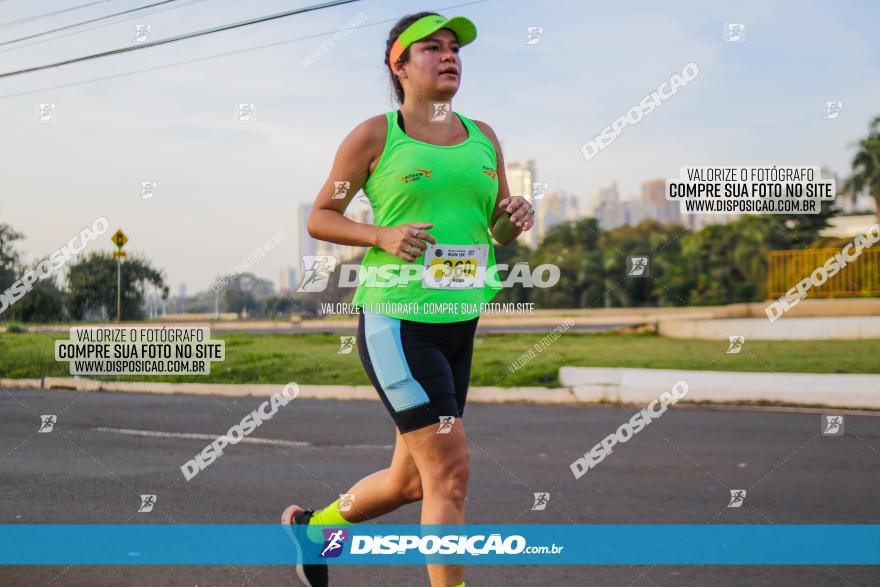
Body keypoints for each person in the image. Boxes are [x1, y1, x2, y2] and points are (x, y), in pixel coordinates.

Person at [282, 12, 534, 587]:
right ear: (399, 65)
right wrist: (380, 236)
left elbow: (497, 230)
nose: (449, 57)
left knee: (413, 482)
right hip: (397, 322)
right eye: (432, 48)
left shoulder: (485, 137)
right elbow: (322, 216)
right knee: (450, 474)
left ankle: (315, 530)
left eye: (455, 49)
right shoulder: (375, 136)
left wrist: (517, 217)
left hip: (459, 319)